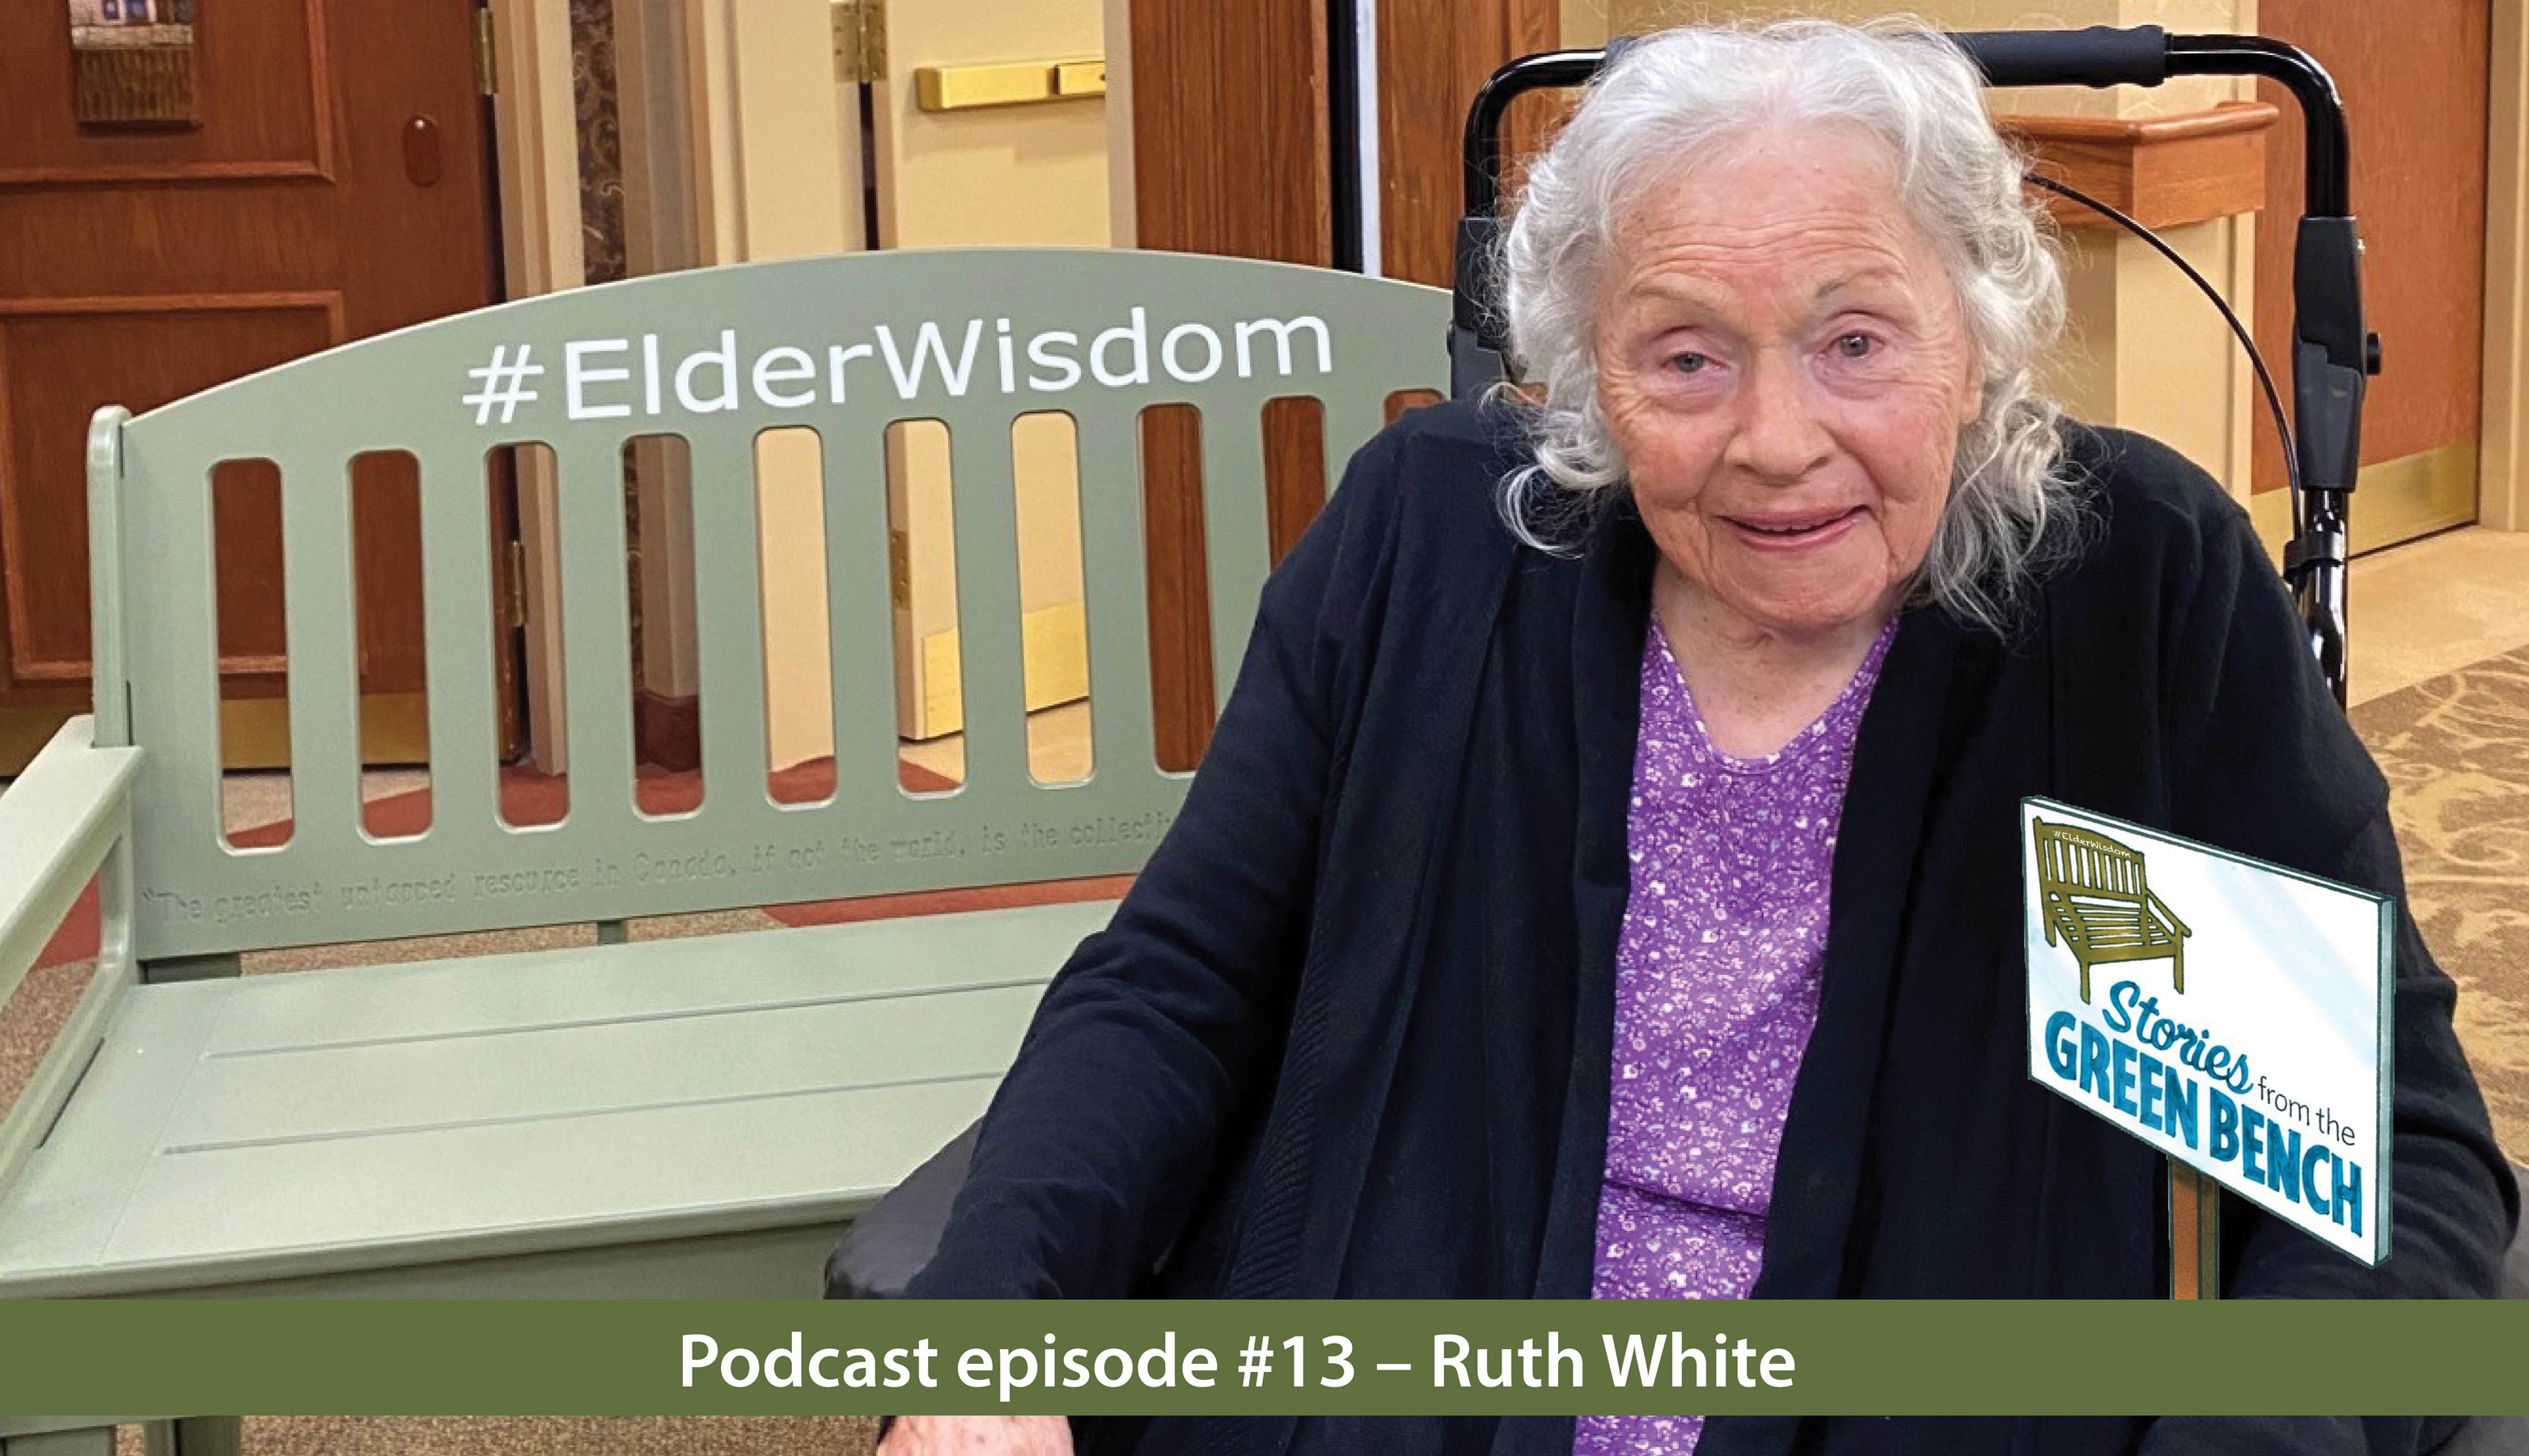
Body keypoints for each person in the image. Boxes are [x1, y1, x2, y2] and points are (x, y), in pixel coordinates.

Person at [882, 18, 2518, 1456]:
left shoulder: (2127, 603)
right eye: (1684, 356)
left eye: (1855, 340)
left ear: (1974, 343)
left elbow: (2385, 1163)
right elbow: (1176, 991)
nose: (1775, 442)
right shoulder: (1426, 558)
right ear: (1587, 374)